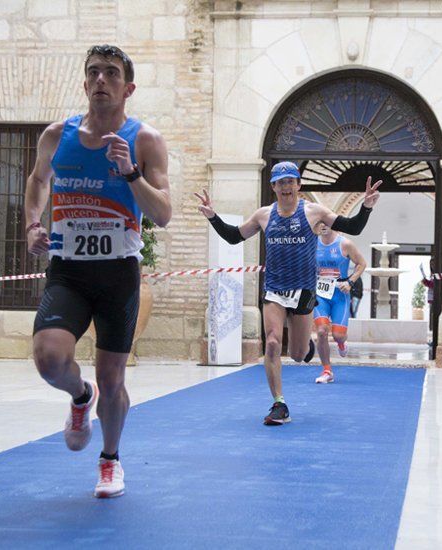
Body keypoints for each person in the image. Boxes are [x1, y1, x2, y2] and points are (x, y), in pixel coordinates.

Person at [25, 45, 171, 498]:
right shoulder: (56, 135)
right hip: (68, 271)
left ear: (128, 88)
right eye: (94, 73)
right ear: (84, 83)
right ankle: (78, 396)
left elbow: (163, 213)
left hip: (117, 276)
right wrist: (33, 223)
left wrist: (130, 173)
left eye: (111, 73)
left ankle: (109, 460)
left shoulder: (145, 140)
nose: (102, 80)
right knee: (49, 359)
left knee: (114, 379)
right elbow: (36, 181)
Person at [195, 161, 380, 425]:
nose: (286, 187)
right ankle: (279, 404)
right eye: (281, 183)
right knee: (271, 342)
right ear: (273, 187)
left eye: (291, 182)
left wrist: (367, 207)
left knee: (296, 354)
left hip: (304, 290)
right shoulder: (264, 215)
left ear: (298, 185)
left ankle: (307, 346)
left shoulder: (313, 212)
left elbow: (353, 227)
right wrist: (213, 216)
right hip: (275, 289)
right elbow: (234, 236)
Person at [312, 221, 366, 384]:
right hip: (320, 295)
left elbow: (362, 263)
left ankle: (341, 343)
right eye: (320, 223)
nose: (323, 226)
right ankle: (327, 371)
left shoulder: (345, 244)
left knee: (338, 335)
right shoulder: (313, 243)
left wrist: (350, 282)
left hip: (340, 295)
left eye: (326, 223)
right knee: (321, 331)